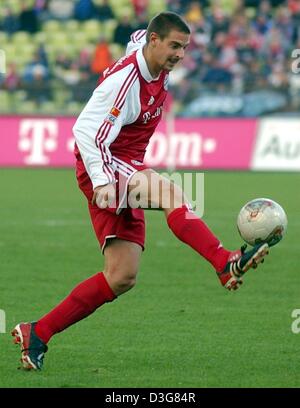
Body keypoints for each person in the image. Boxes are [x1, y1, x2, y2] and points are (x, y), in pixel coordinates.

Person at [12, 11, 270, 371]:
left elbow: (138, 36)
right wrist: (102, 182)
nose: (180, 54)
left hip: (124, 164)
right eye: (174, 46)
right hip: (103, 166)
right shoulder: (124, 82)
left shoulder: (152, 58)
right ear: (154, 41)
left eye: (184, 47)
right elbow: (86, 129)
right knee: (169, 192)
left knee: (121, 276)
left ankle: (37, 332)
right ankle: (223, 261)